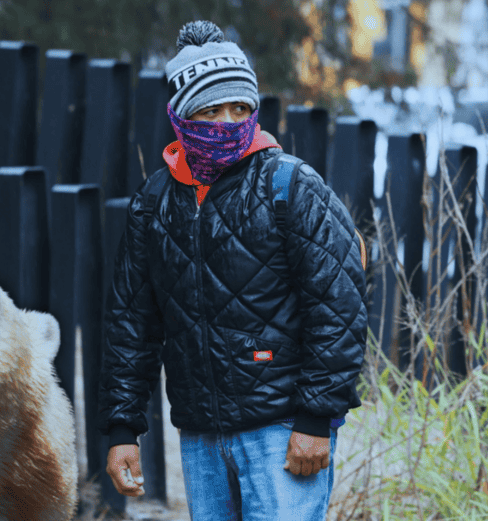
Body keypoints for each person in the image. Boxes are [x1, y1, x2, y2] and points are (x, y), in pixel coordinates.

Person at [98, 20, 367, 521]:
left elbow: (339, 309)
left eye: (240, 108)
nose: (228, 121)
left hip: (282, 431)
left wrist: (316, 419)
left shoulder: (291, 185)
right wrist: (122, 430)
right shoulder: (154, 202)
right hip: (201, 436)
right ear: (182, 115)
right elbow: (131, 324)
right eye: (211, 110)